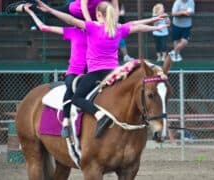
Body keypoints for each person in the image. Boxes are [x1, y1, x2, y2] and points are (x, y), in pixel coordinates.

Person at [35, 0, 168, 137]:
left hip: (96, 74)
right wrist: (155, 25)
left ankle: (99, 115)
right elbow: (137, 25)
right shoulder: (118, 29)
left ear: (99, 14)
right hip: (114, 73)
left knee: (76, 98)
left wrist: (51, 10)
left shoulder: (92, 27)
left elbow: (70, 19)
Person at [23, 3, 87, 138]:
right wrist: (31, 13)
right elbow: (43, 27)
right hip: (75, 72)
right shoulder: (72, 31)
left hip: (92, 71)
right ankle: (65, 122)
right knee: (70, 88)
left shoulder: (95, 30)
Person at [6, 0, 119, 21]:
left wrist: (115, 22)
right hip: (74, 11)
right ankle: (21, 7)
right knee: (47, 12)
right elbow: (84, 5)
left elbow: (115, 8)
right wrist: (89, 23)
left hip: (95, 17)